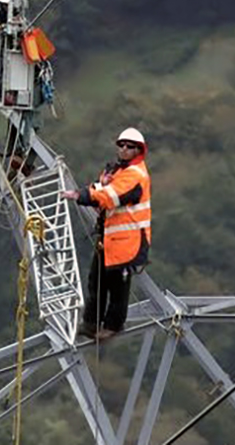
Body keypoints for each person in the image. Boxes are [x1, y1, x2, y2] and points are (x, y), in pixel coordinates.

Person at [62, 127, 152, 341]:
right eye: (121, 145)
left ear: (138, 150)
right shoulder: (117, 171)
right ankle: (91, 323)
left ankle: (113, 325)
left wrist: (80, 195)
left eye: (130, 146)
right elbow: (100, 189)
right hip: (110, 240)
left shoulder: (135, 175)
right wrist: (90, 190)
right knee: (97, 281)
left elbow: (109, 197)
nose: (124, 149)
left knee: (118, 288)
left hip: (127, 243)